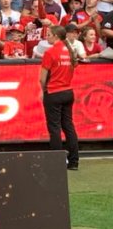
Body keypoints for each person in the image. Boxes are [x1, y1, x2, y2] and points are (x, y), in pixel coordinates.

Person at [39, 26, 79, 171]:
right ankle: (74, 161)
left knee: (54, 128)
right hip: (68, 92)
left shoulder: (50, 52)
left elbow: (42, 78)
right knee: (68, 126)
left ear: (56, 36)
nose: (47, 37)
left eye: (49, 34)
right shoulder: (69, 50)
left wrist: (43, 90)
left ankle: (57, 163)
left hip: (53, 92)